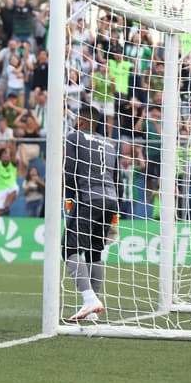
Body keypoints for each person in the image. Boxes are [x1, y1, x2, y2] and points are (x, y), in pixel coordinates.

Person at [62, 105, 122, 322]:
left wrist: (69, 198)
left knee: (69, 248)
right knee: (94, 252)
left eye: (77, 118)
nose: (74, 121)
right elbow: (119, 180)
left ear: (85, 122)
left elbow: (69, 169)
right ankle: (92, 310)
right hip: (110, 200)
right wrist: (116, 212)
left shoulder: (74, 137)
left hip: (87, 197)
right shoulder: (110, 144)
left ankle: (89, 299)